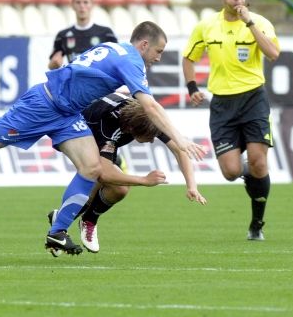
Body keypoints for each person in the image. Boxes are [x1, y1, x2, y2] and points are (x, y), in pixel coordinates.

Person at [0, 21, 206, 257]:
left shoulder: (116, 49)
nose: (158, 58)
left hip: (68, 113)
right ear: (144, 43)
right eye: (158, 52)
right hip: (44, 105)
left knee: (91, 168)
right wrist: (179, 137)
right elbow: (149, 104)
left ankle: (57, 232)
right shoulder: (131, 60)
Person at [182, 0, 280, 241]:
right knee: (231, 172)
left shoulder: (259, 22)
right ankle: (248, 172)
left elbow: (273, 53)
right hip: (222, 104)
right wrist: (192, 88)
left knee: (260, 162)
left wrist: (250, 23)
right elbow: (189, 58)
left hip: (253, 99)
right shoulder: (206, 26)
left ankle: (257, 223)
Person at [48, 92, 208, 254]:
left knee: (120, 188)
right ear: (131, 130)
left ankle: (84, 219)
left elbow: (180, 150)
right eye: (150, 137)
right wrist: (144, 180)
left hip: (104, 138)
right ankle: (60, 225)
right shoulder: (109, 126)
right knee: (97, 176)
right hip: (77, 133)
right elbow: (105, 173)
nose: (153, 140)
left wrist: (191, 186)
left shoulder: (148, 115)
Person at [48, 0, 117, 70]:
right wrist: (55, 63)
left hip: (97, 80)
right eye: (78, 2)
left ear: (92, 5)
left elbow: (117, 59)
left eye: (85, 2)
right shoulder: (62, 35)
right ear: (72, 5)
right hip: (75, 80)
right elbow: (52, 66)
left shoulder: (106, 33)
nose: (82, 6)